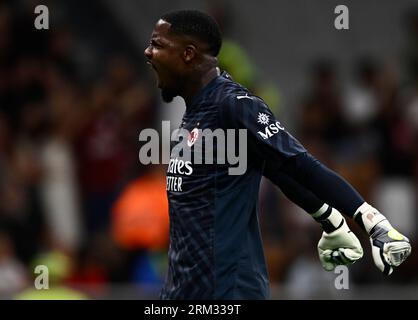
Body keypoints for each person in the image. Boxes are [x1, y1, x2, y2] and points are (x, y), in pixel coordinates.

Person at [143, 9, 411, 299]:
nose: (148, 52)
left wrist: (373, 223)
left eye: (157, 44)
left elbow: (298, 163)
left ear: (188, 54)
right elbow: (277, 172)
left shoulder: (234, 104)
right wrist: (330, 220)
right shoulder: (196, 112)